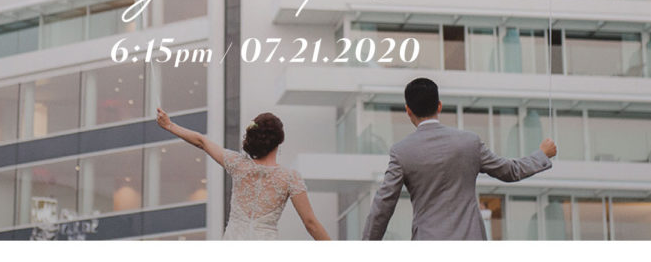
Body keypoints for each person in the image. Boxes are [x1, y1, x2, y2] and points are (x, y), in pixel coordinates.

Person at [362, 78, 557, 240]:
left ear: (408, 110)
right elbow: (510, 171)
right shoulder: (469, 142)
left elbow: (383, 206)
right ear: (439, 106)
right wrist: (542, 154)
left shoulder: (401, 151)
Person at [156, 108, 330, 240]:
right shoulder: (290, 178)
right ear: (280, 140)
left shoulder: (238, 164)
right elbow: (311, 224)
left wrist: (169, 125)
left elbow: (202, 141)